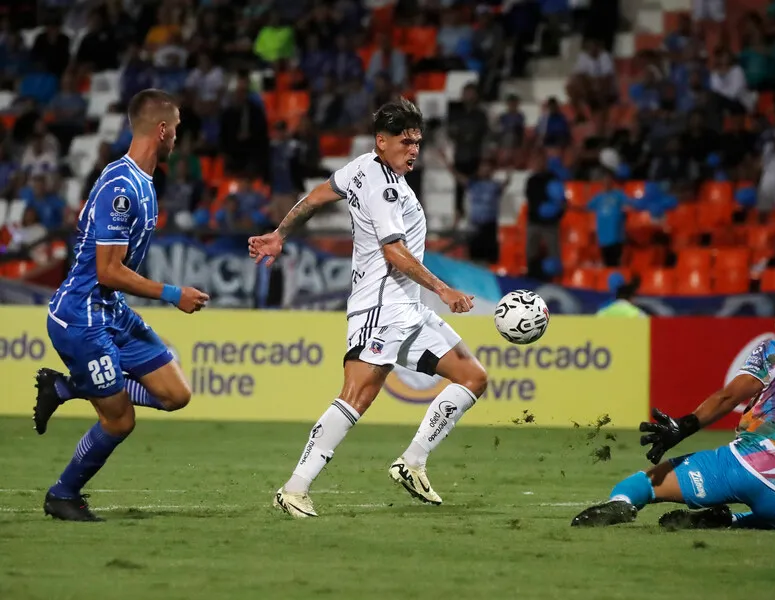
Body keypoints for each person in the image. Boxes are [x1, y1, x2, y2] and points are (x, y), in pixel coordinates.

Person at [248, 99, 489, 518]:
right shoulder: (385, 187)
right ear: (382, 141)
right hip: (381, 306)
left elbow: (316, 197)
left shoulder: (361, 167)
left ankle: (412, 461)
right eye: (405, 141)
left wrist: (279, 233)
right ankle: (294, 488)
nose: (413, 149)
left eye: (417, 141)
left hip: (408, 309)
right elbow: (393, 252)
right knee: (357, 396)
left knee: (472, 377)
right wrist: (445, 290)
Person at [572, 283, 775, 530]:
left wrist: (681, 428)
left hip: (744, 468)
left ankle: (621, 504)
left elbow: (728, 397)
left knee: (642, 483)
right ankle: (730, 521)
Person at [32, 89, 210, 522]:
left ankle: (67, 388)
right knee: (120, 420)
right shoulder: (122, 188)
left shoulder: (142, 181)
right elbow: (108, 270)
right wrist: (172, 294)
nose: (178, 139)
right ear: (163, 129)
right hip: (81, 317)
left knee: (175, 394)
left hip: (108, 310)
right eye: (177, 129)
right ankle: (63, 495)